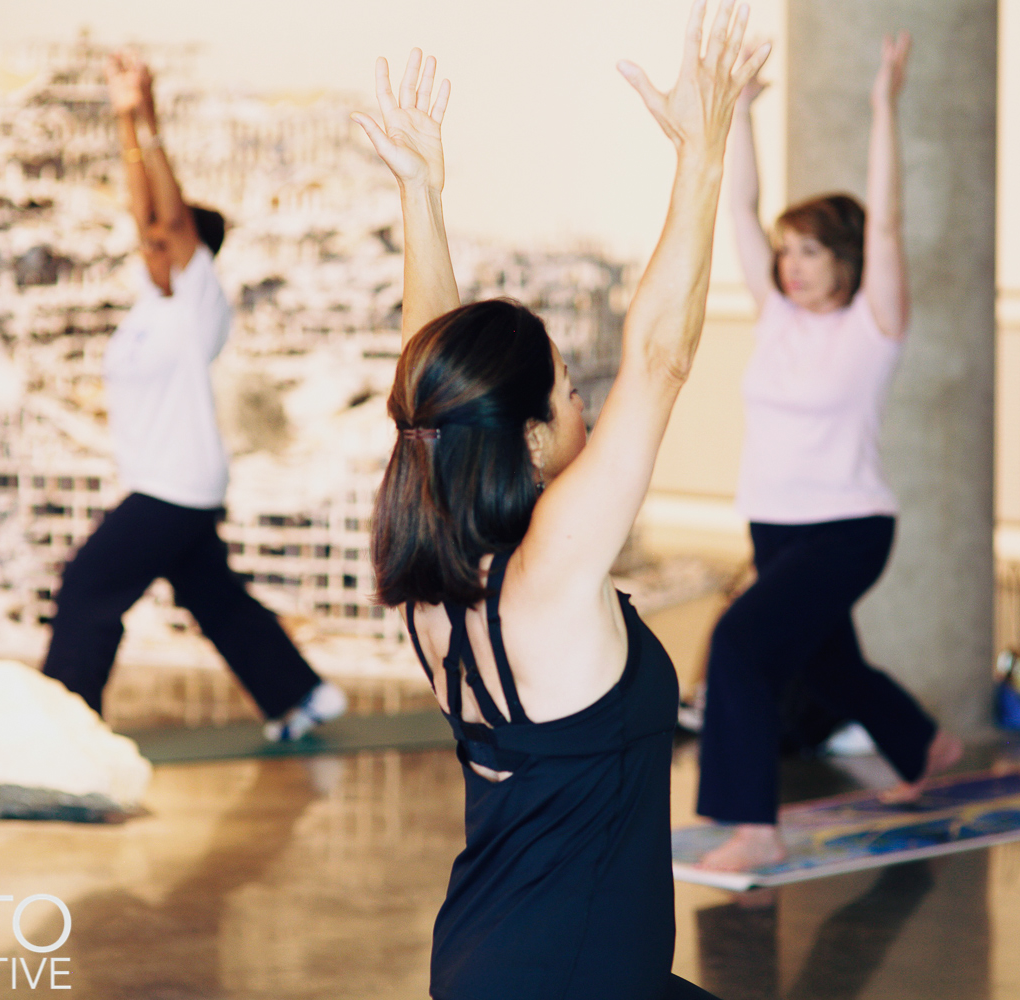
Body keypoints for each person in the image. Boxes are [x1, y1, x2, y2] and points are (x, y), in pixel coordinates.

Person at [351, 5, 770, 997]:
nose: (589, 395)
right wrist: (704, 150)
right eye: (571, 387)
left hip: (495, 960)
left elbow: (434, 392)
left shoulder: (438, 577)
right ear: (530, 436)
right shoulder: (553, 572)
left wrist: (423, 193)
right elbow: (662, 358)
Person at [692, 32, 962, 873]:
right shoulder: (776, 315)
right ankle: (924, 748)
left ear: (845, 259)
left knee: (739, 645)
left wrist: (884, 103)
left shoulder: (872, 329)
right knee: (830, 662)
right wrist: (740, 112)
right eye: (787, 250)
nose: (791, 264)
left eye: (811, 250)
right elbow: (737, 209)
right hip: (773, 526)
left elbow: (889, 225)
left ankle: (755, 827)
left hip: (848, 527)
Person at [41, 51, 345, 741]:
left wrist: (147, 115)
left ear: (190, 251)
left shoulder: (198, 299)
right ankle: (302, 695)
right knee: (212, 595)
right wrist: (122, 116)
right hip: (175, 481)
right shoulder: (155, 300)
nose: (148, 243)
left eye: (162, 240)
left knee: (87, 587)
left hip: (172, 484)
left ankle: (65, 726)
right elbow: (145, 209)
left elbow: (168, 218)